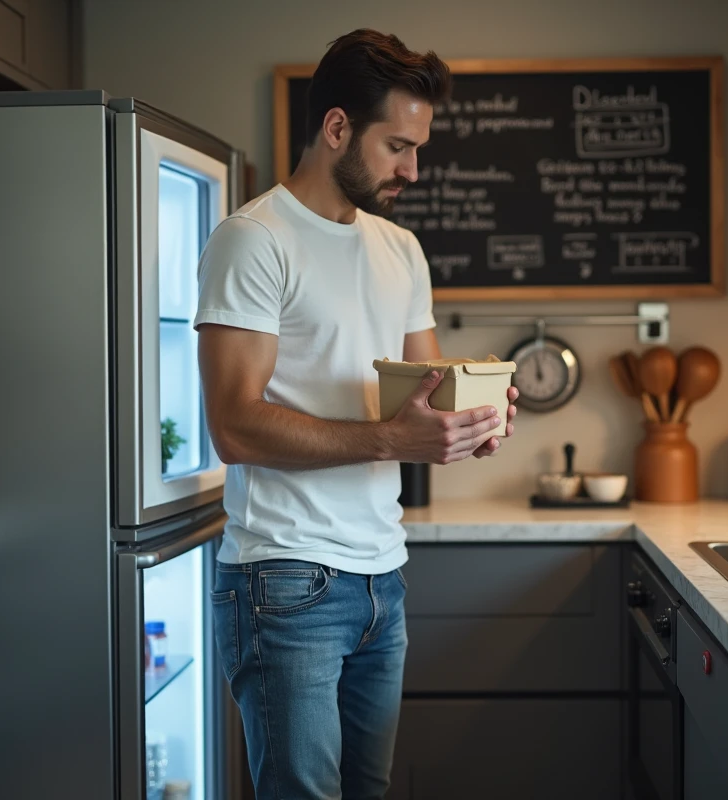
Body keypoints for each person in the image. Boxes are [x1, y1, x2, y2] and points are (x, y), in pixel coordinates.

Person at [193, 28, 519, 800]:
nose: (414, 168)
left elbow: (425, 390)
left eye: (418, 147)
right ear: (337, 128)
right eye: (397, 146)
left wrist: (474, 413)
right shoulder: (254, 240)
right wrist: (392, 437)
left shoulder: (400, 249)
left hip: (382, 575)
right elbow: (234, 426)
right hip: (285, 579)